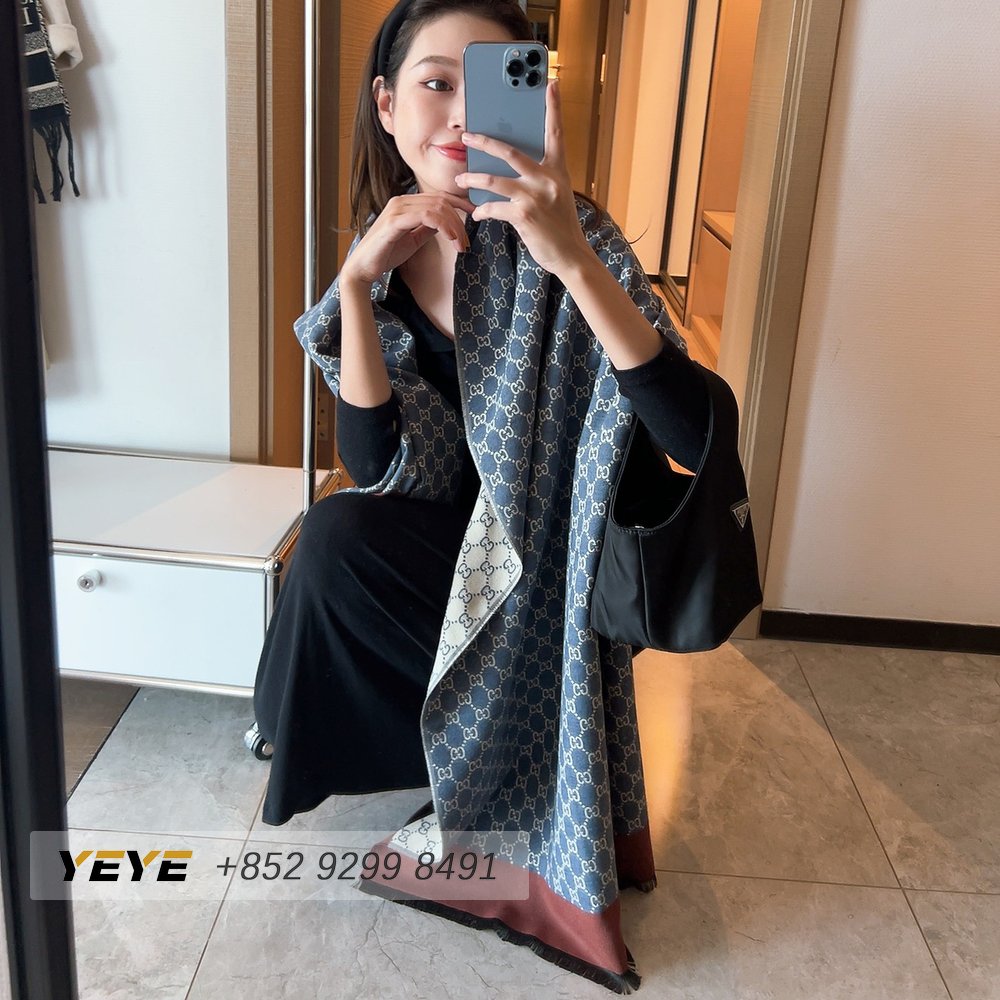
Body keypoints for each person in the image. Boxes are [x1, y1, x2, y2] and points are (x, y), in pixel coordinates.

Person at [253, 0, 710, 991]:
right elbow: (381, 465)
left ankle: (487, 778)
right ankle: (422, 755)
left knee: (348, 547)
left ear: (533, 99)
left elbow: (690, 437)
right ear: (387, 106)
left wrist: (568, 255)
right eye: (434, 84)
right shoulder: (389, 245)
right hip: (450, 543)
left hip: (556, 564)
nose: (460, 113)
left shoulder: (575, 233)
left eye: (494, 83)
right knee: (333, 535)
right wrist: (358, 285)